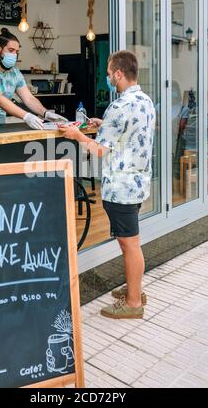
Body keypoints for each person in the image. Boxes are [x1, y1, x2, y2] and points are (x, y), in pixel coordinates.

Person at [59, 50, 156, 319]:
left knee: (129, 244)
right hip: (138, 183)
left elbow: (99, 150)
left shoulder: (118, 106)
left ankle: (134, 303)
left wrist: (76, 134)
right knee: (131, 242)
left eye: (109, 72)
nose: (107, 77)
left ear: (118, 74)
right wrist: (103, 125)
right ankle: (134, 289)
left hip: (121, 188)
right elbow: (131, 133)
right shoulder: (145, 101)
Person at [0, 28, 67, 128]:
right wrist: (27, 116)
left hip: (0, 124)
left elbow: (29, 98)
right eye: (11, 50)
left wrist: (45, 113)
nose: (14, 55)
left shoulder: (15, 73)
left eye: (16, 52)